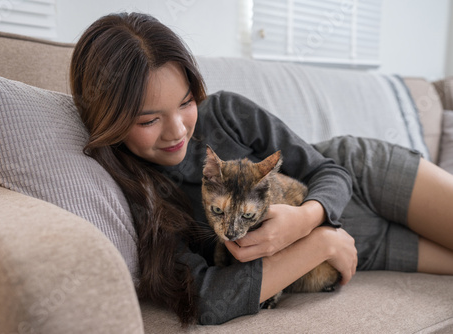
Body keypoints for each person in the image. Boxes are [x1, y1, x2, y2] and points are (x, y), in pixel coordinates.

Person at [69, 12, 453, 326]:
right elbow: (208, 301)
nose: (178, 130)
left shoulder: (224, 113)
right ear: (110, 121)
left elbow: (331, 171)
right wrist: (323, 243)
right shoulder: (141, 196)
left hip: (370, 178)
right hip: (361, 249)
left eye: (185, 103)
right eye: (148, 119)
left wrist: (305, 222)